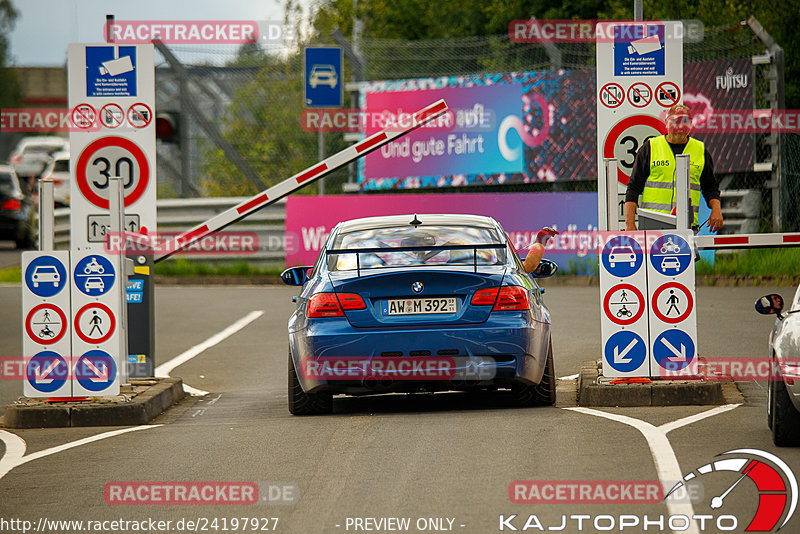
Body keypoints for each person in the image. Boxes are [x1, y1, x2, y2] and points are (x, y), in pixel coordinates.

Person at [624, 104, 723, 232]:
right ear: (666, 122)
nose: (680, 126)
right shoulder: (650, 148)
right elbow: (633, 188)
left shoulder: (700, 150)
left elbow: (711, 188)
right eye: (675, 121)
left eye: (685, 122)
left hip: (687, 226)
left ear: (691, 124)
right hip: (652, 224)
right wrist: (629, 224)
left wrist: (716, 209)